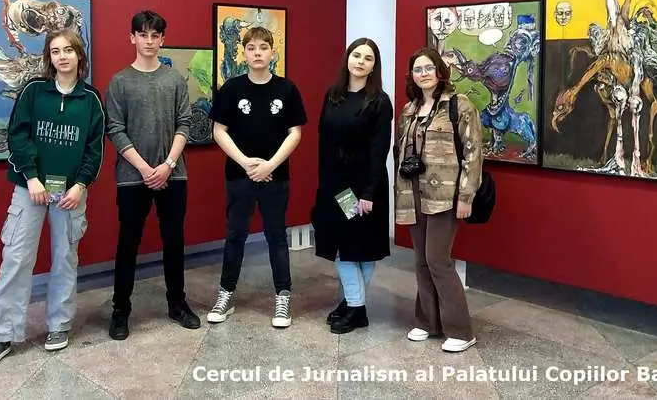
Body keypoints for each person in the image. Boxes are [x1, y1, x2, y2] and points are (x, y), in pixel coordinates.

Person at [0, 29, 105, 368]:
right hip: (29, 189)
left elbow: (94, 149)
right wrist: (32, 177)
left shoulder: (91, 100)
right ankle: (4, 334)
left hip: (70, 194)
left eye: (68, 50)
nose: (62, 57)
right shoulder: (33, 91)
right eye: (55, 51)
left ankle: (59, 325)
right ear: (49, 57)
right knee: (16, 258)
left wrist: (81, 185)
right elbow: (18, 136)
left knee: (64, 259)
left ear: (79, 55)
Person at [104, 10, 200, 340]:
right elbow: (115, 129)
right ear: (132, 38)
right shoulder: (120, 82)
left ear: (162, 39)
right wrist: (145, 168)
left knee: (174, 240)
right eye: (142, 34)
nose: (148, 41)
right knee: (128, 242)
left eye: (155, 35)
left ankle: (177, 303)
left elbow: (184, 123)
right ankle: (120, 310)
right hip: (133, 177)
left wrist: (168, 165)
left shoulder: (174, 80)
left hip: (173, 175)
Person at [206, 25, 306, 328]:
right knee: (235, 235)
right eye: (251, 48)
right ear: (244, 53)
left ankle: (283, 296)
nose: (257, 53)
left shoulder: (287, 89)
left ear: (273, 52)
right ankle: (226, 293)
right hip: (239, 176)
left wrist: (270, 165)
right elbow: (219, 130)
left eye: (263, 47)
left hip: (276, 177)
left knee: (276, 236)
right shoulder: (232, 89)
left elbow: (295, 133)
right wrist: (247, 163)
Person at [393, 46, 482, 353]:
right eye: (418, 70)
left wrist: (466, 195)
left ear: (440, 71)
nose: (424, 74)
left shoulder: (459, 105)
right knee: (420, 260)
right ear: (412, 76)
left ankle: (460, 329)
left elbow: (473, 152)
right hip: (412, 193)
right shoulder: (408, 110)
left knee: (437, 260)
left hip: (445, 195)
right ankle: (427, 321)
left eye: (429, 68)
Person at [311, 38, 393, 334]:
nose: (360, 61)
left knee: (360, 246)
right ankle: (353, 303)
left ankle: (355, 307)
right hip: (337, 186)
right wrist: (323, 184)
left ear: (374, 67)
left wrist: (369, 194)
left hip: (364, 186)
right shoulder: (333, 96)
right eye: (356, 55)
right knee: (343, 243)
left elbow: (379, 150)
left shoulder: (379, 102)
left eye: (368, 58)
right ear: (348, 59)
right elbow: (324, 143)